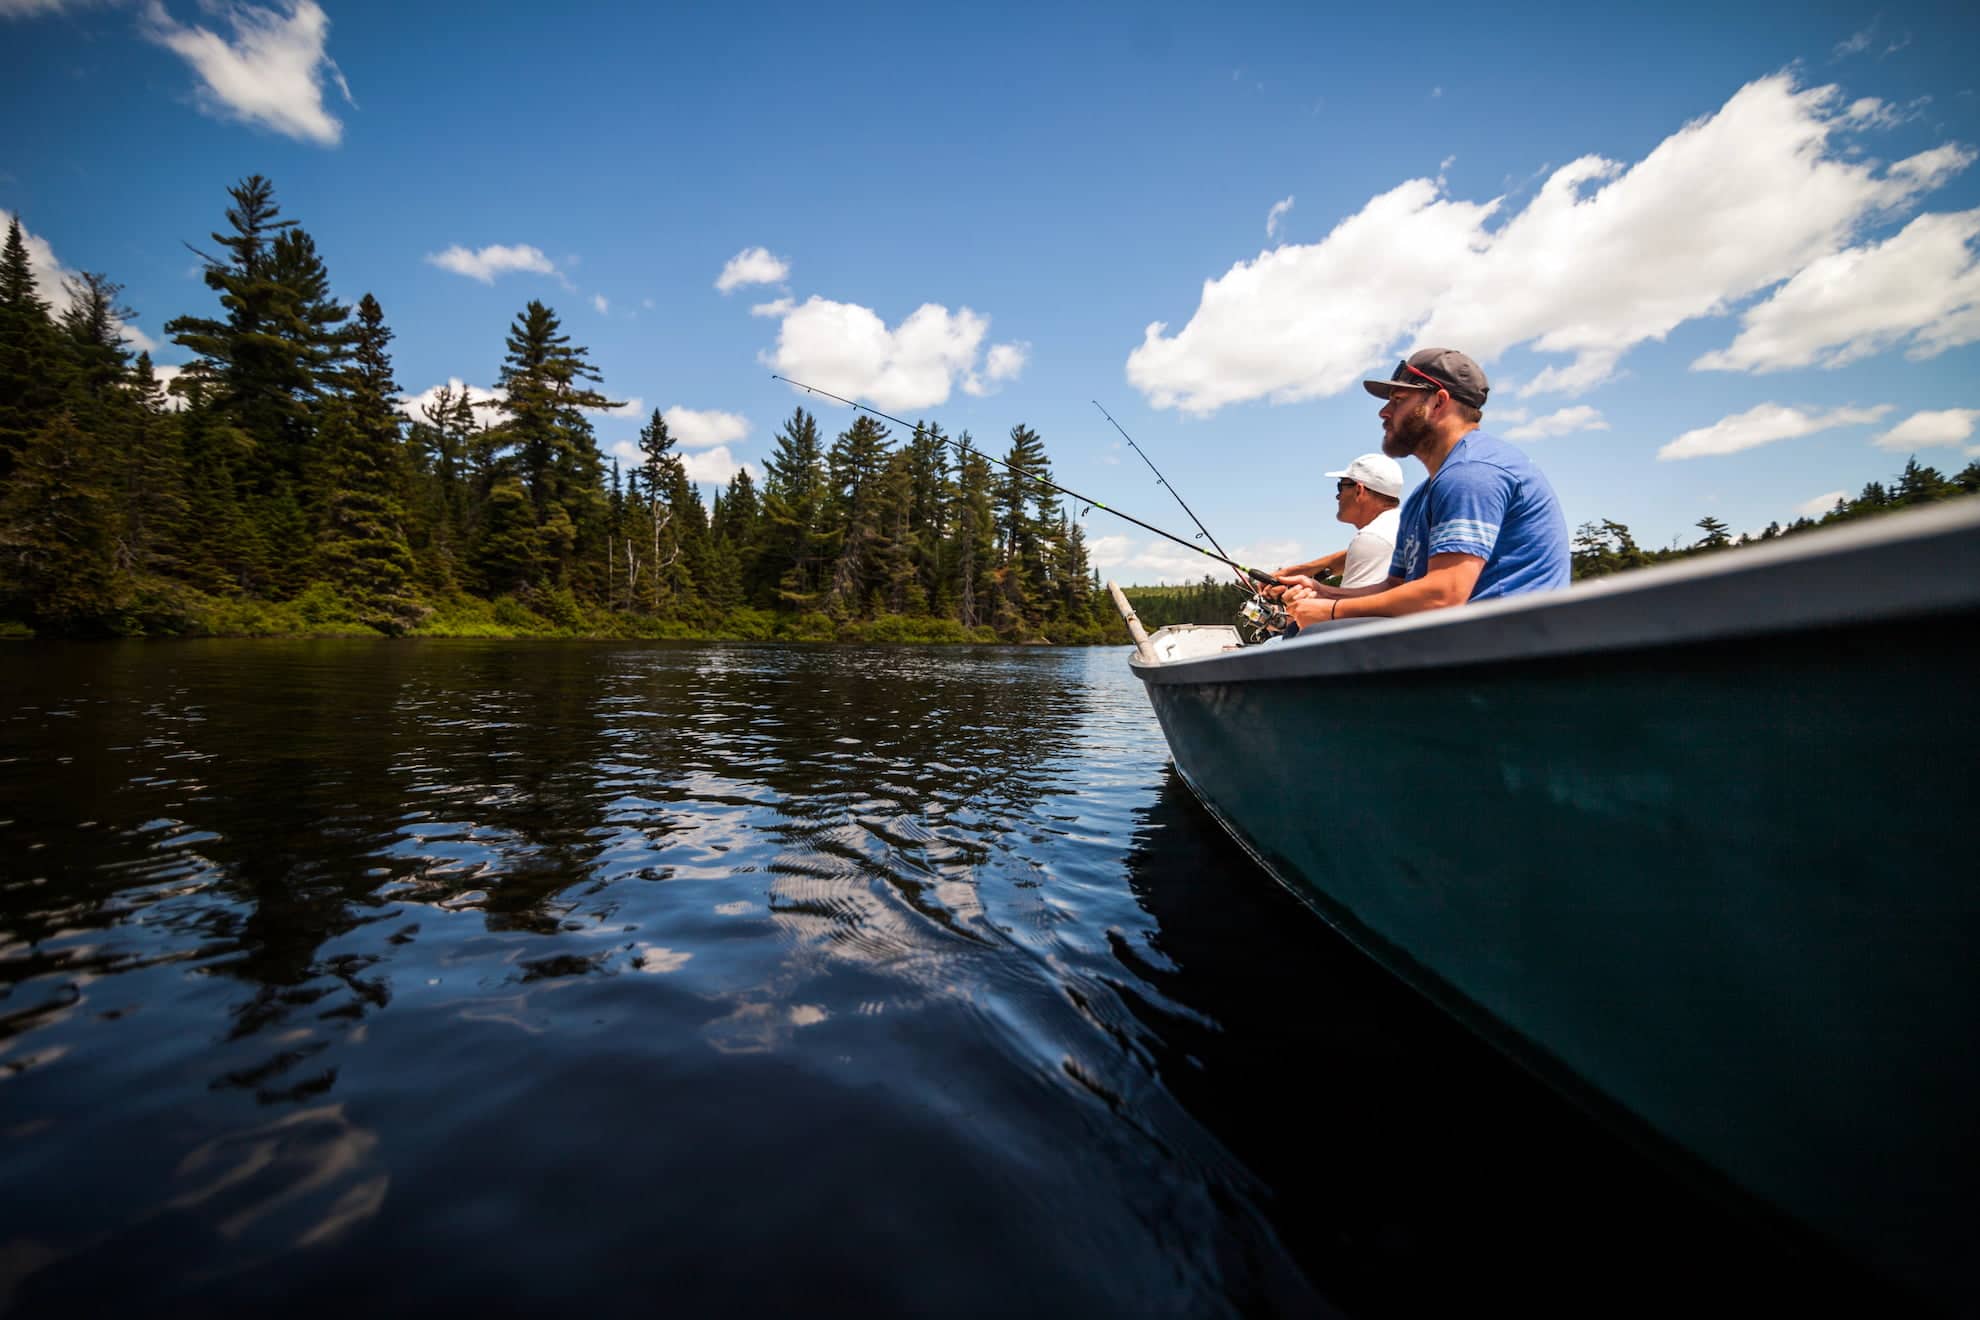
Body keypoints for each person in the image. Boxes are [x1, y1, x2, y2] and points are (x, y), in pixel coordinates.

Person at [1284, 348, 1567, 628]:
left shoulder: (1471, 473)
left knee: (1320, 635)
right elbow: (1395, 587)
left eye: (1398, 400)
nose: (1384, 412)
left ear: (1438, 402)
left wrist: (1332, 611)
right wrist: (1324, 593)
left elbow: (1444, 595)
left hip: (1511, 655)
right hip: (1463, 647)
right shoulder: (1424, 495)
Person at [1273, 453, 1406, 590]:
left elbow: (1351, 609)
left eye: (1340, 486)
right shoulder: (1397, 526)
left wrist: (1296, 601)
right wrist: (1290, 573)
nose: (1338, 496)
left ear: (1359, 491)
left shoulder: (1373, 537)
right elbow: (1349, 557)